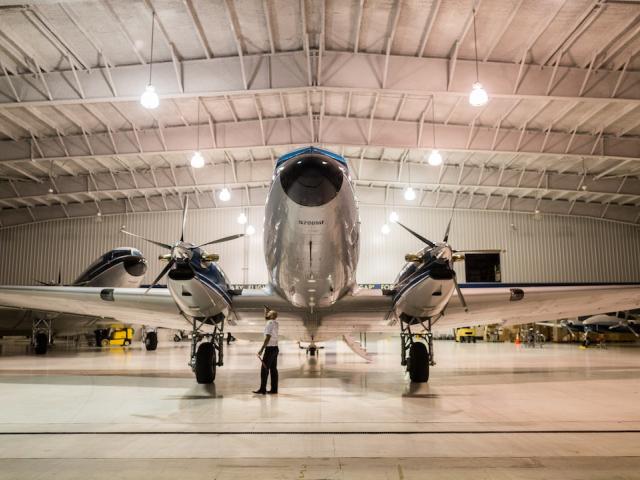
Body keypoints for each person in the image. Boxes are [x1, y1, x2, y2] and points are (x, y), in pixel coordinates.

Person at [253, 306, 279, 395]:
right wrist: (266, 311)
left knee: (264, 369)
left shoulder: (269, 323)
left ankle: (262, 389)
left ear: (271, 316)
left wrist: (261, 349)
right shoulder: (275, 323)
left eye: (268, 313)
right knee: (273, 369)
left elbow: (268, 337)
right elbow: (267, 319)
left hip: (270, 349)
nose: (267, 314)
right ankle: (274, 389)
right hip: (275, 348)